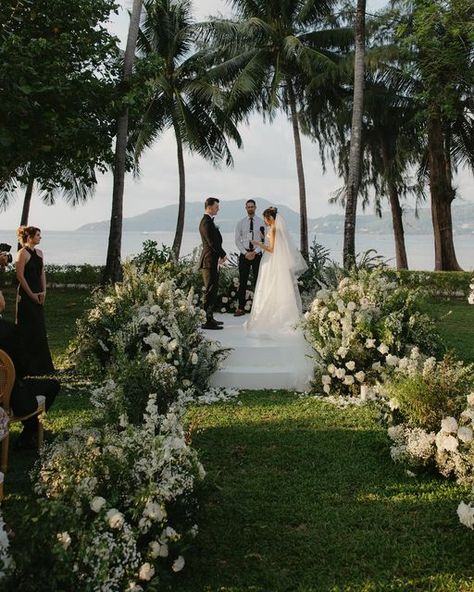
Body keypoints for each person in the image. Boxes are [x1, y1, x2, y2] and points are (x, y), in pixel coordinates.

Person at [0, 261, 59, 450]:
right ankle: (28, 433)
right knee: (51, 384)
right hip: (7, 396)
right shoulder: (9, 332)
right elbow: (22, 367)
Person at [247, 207, 308, 336]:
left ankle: (270, 316)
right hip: (274, 260)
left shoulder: (274, 228)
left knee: (269, 285)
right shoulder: (274, 229)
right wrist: (265, 237)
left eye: (265, 218)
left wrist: (258, 243)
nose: (264, 220)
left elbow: (271, 249)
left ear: (269, 218)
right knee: (275, 286)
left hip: (271, 260)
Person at [15, 225, 54, 376]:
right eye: (38, 235)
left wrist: (44, 291)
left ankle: (42, 366)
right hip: (26, 295)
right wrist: (31, 295)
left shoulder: (39, 253)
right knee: (27, 329)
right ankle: (26, 367)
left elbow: (42, 273)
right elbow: (20, 276)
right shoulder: (21, 253)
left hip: (39, 294)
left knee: (39, 328)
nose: (40, 237)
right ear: (29, 237)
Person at [198, 197, 227, 330]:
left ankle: (210, 317)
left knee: (213, 289)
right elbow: (212, 242)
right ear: (209, 207)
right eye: (216, 207)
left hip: (213, 260)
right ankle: (207, 321)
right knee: (210, 290)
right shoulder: (206, 222)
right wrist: (223, 254)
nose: (218, 209)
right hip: (209, 260)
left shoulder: (209, 221)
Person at [234, 199, 264, 317]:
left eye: (252, 207)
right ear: (245, 208)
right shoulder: (240, 223)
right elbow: (237, 240)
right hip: (244, 255)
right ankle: (241, 308)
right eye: (248, 207)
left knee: (258, 281)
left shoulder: (261, 222)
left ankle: (258, 309)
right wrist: (245, 253)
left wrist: (255, 252)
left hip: (257, 255)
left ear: (255, 208)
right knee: (242, 281)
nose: (250, 209)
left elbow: (263, 240)